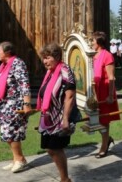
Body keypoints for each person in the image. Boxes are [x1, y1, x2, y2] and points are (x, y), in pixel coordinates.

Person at [37, 43, 77, 182]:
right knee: (49, 148)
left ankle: (65, 179)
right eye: (44, 58)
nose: (45, 61)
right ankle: (64, 178)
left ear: (57, 56)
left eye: (48, 58)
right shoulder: (50, 72)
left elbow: (69, 96)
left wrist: (66, 119)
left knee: (56, 148)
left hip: (60, 117)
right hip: (49, 118)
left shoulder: (65, 70)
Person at [0, 41, 31, 173]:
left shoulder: (18, 64)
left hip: (15, 104)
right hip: (4, 105)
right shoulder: (4, 65)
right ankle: (17, 159)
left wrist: (27, 103)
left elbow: (24, 84)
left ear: (7, 52)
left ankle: (20, 160)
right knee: (7, 133)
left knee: (12, 132)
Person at [91, 31, 120, 158]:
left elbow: (111, 77)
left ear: (98, 42)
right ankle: (106, 139)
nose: (91, 43)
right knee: (95, 119)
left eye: (92, 40)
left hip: (105, 90)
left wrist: (110, 95)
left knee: (103, 120)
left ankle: (104, 145)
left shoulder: (107, 55)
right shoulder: (92, 55)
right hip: (95, 91)